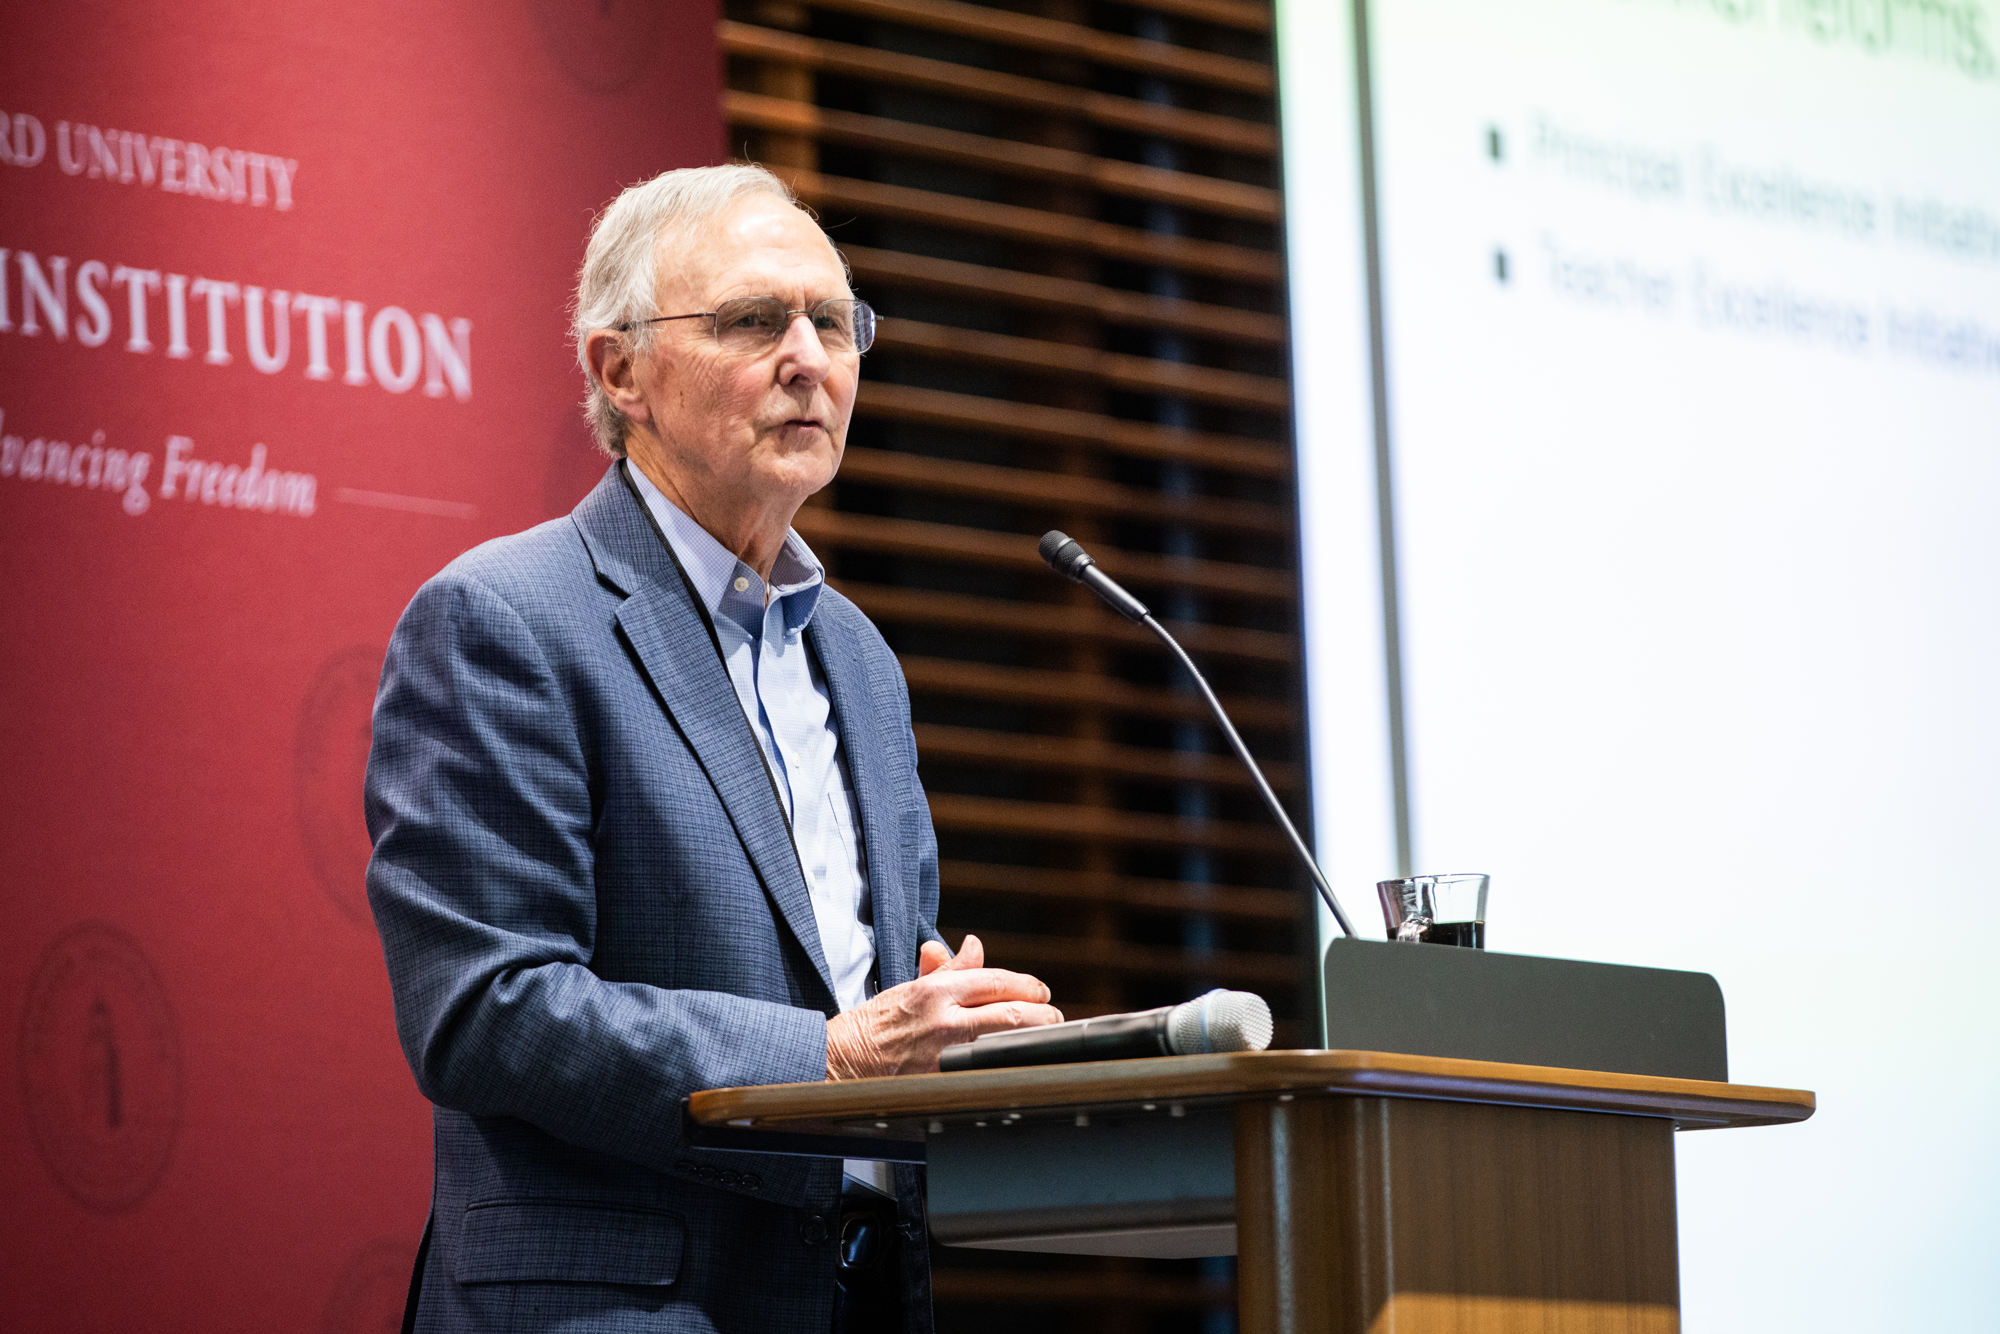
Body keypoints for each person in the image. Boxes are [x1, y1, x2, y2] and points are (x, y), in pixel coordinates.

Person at [364, 163, 1064, 1334]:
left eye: (833, 322)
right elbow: (482, 1007)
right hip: (620, 1305)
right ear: (618, 370)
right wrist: (831, 1054)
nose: (809, 357)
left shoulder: (859, 659)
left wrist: (946, 1017)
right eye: (753, 320)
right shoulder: (504, 618)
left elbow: (861, 984)